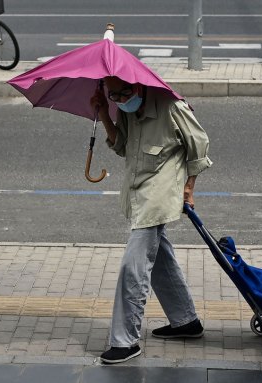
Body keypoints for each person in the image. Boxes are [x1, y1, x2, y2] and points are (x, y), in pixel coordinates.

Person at [90, 76, 212, 364]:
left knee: (133, 267)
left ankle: (125, 341)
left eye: (123, 93)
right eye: (113, 95)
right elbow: (122, 146)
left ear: (138, 86)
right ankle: (186, 321)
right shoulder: (124, 108)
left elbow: (200, 146)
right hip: (138, 193)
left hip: (160, 194)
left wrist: (188, 188)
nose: (119, 99)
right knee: (159, 259)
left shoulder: (171, 106)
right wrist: (105, 114)